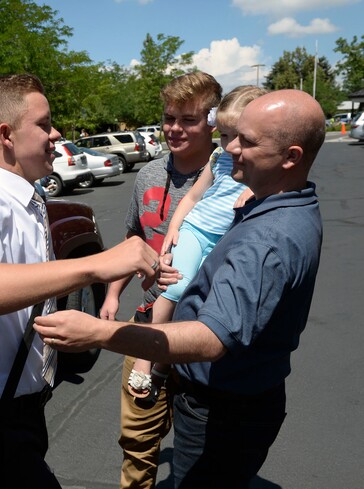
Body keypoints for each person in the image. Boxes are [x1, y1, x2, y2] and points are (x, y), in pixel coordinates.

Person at [34, 88, 325, 488]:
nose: (234, 148)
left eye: (248, 141)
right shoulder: (279, 204)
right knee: (139, 443)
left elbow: (210, 339)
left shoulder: (266, 238)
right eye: (232, 136)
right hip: (231, 390)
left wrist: (99, 333)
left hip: (222, 405)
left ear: (291, 157)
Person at [0, 73, 159, 489]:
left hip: (26, 404)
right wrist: (95, 265)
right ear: (6, 135)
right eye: (44, 123)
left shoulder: (29, 197)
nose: (56, 134)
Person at [98, 71, 222, 489]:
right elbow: (132, 237)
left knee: (200, 450)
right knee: (137, 438)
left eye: (187, 119)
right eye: (169, 118)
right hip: (147, 323)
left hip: (203, 336)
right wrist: (113, 294)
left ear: (212, 120)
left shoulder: (230, 177)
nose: (174, 128)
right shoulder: (149, 174)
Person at [128, 86, 265, 402]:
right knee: (175, 287)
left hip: (224, 239)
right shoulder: (219, 157)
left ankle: (164, 364)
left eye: (239, 136)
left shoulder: (258, 163)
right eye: (225, 135)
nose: (229, 144)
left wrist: (256, 192)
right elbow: (193, 196)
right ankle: (146, 357)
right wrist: (175, 228)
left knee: (199, 300)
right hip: (197, 229)